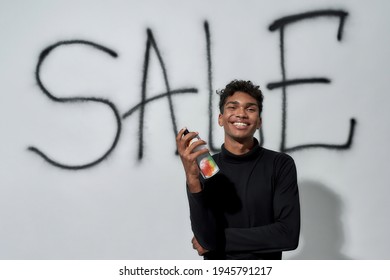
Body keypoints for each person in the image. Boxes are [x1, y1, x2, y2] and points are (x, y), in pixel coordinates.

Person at [176, 79, 300, 260]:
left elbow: (287, 234)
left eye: (250, 109)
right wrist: (192, 179)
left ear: (259, 121)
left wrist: (215, 240)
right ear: (221, 119)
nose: (241, 114)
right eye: (232, 107)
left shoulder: (280, 164)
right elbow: (202, 231)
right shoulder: (206, 167)